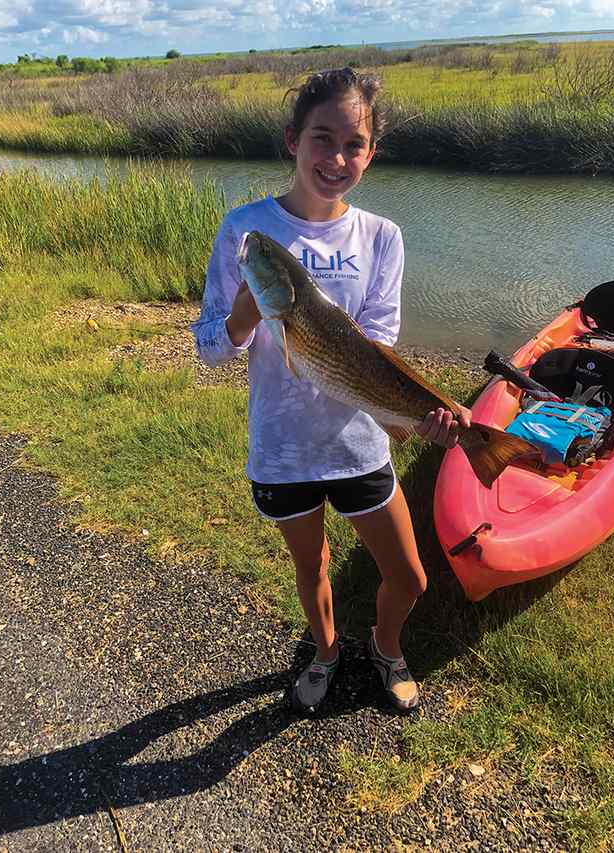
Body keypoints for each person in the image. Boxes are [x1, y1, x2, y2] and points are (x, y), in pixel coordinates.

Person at [191, 67, 471, 715]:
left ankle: (387, 647)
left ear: (371, 153)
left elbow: (376, 347)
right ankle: (322, 652)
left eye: (354, 144)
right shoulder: (246, 229)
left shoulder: (382, 237)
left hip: (358, 447)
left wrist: (416, 411)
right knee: (310, 568)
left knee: (409, 574)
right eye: (323, 138)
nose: (337, 157)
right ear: (293, 140)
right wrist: (243, 316)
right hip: (283, 451)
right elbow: (208, 349)